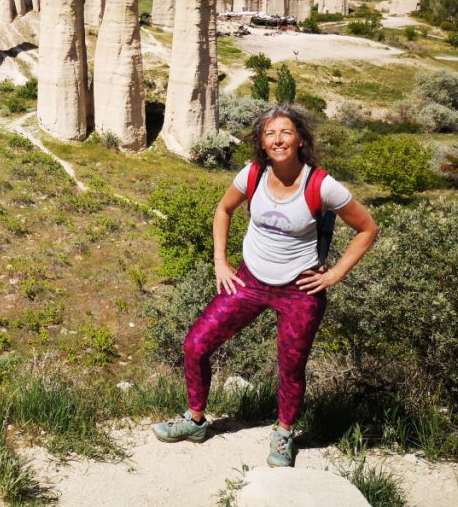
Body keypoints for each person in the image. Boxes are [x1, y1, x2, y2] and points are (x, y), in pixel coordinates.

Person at [152, 105, 378, 467]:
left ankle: (284, 434)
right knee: (196, 344)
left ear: (301, 139)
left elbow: (367, 228)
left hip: (299, 291)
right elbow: (223, 210)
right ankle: (195, 420)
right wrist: (220, 263)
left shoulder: (321, 184)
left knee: (290, 368)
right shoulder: (253, 174)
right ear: (261, 141)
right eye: (270, 133)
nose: (278, 139)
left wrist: (334, 275)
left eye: (286, 132)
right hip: (250, 279)